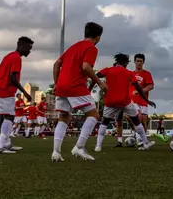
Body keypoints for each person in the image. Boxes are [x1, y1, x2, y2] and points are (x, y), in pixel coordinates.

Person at [51, 22, 107, 162]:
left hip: (62, 86)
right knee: (94, 115)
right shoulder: (91, 48)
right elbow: (86, 66)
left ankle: (56, 152)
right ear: (98, 38)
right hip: (75, 85)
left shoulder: (73, 46)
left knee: (64, 117)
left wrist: (57, 83)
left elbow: (56, 64)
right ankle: (79, 147)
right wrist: (99, 82)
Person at [90, 53, 156, 152]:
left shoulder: (108, 70)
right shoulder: (129, 73)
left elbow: (94, 76)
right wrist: (146, 100)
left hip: (110, 101)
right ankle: (145, 143)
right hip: (125, 101)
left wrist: (89, 89)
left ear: (116, 62)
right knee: (137, 122)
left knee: (104, 122)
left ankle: (98, 146)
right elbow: (138, 87)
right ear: (125, 63)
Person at [0, 36, 34, 154]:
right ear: (21, 46)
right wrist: (25, 93)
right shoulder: (16, 58)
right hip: (5, 91)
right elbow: (13, 77)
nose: (29, 51)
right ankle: (1, 146)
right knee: (9, 117)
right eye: (28, 48)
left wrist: (0, 82)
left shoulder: (8, 56)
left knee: (8, 116)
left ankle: (7, 144)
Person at [114, 54, 155, 147]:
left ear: (143, 62)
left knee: (144, 121)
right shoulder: (130, 74)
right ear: (134, 62)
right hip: (132, 101)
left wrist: (140, 91)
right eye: (137, 61)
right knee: (138, 117)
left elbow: (151, 86)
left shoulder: (147, 74)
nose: (139, 63)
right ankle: (140, 141)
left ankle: (141, 139)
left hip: (143, 102)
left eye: (141, 61)